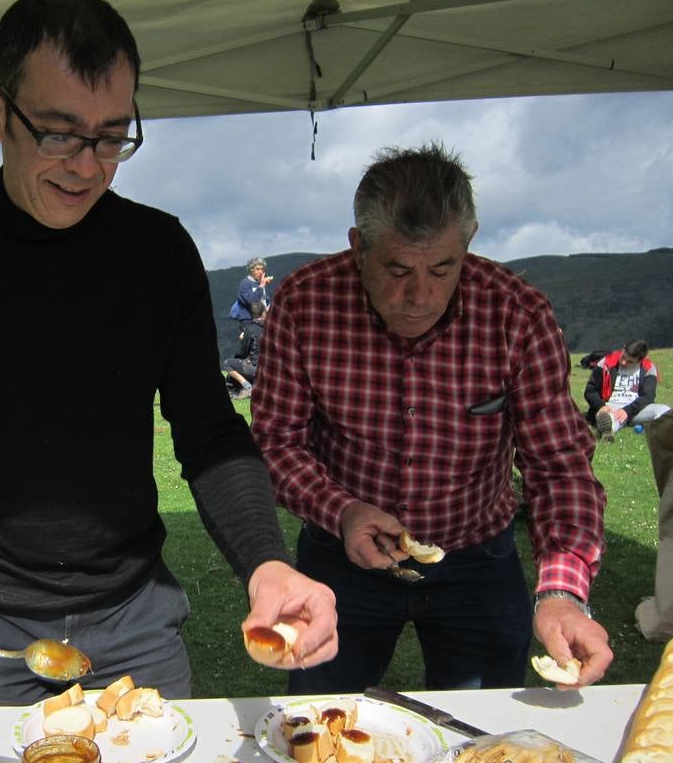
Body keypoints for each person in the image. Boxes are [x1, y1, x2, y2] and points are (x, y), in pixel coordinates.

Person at [0, 0, 337, 709]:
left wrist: (266, 563)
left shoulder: (158, 253)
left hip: (134, 615)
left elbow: (209, 432)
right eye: (61, 133)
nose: (88, 166)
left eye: (112, 136)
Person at [251, 142, 612, 695]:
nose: (419, 296)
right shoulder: (305, 303)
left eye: (443, 269)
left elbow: (560, 465)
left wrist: (561, 593)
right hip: (341, 555)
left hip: (476, 557)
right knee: (320, 718)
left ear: (468, 245)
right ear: (358, 247)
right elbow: (277, 441)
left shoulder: (516, 314)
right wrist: (341, 510)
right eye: (396, 269)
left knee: (485, 734)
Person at [583, 339, 671, 442]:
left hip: (636, 409)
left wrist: (627, 410)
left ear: (640, 360)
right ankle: (607, 432)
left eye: (630, 361)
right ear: (623, 349)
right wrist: (601, 406)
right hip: (611, 407)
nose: (624, 362)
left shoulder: (649, 368)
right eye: (623, 357)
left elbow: (648, 397)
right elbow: (590, 390)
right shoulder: (606, 363)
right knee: (606, 417)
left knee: (665, 410)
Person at [222, 301, 266, 399]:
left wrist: (243, 338)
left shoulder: (250, 330)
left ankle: (248, 387)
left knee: (227, 363)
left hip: (256, 369)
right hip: (272, 370)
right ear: (264, 313)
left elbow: (243, 352)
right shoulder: (273, 328)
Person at [231, 257, 272, 329]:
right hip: (249, 320)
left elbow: (265, 300)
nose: (261, 272)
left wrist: (269, 307)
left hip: (262, 320)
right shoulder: (245, 283)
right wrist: (261, 286)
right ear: (251, 270)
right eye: (258, 269)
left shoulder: (260, 284)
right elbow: (251, 300)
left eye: (262, 269)